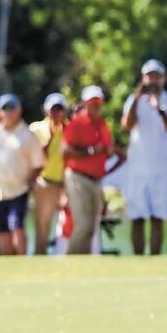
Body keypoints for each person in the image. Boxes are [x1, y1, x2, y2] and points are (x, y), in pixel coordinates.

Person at [121, 59, 167, 255]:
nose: (153, 80)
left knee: (158, 217)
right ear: (143, 78)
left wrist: (160, 110)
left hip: (163, 169)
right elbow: (127, 126)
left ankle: (155, 258)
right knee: (137, 218)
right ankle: (139, 259)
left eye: (157, 76)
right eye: (150, 76)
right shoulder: (134, 100)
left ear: (163, 78)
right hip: (138, 169)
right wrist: (137, 98)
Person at [0, 94, 44, 256]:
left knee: (17, 227)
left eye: (12, 109)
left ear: (19, 110)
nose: (9, 113)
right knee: (2, 231)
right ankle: (7, 263)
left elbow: (38, 163)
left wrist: (30, 181)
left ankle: (21, 260)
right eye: (5, 110)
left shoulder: (27, 135)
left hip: (19, 189)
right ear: (0, 112)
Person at [62, 86, 113, 255]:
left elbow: (106, 148)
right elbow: (66, 151)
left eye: (98, 102)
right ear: (85, 103)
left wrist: (107, 151)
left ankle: (83, 261)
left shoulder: (102, 124)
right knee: (83, 223)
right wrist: (91, 151)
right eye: (92, 103)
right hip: (78, 177)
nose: (96, 106)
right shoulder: (77, 123)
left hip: (96, 179)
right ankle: (72, 258)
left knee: (91, 226)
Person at [29, 92, 69, 255]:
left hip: (65, 183)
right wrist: (51, 138)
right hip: (45, 183)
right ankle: (40, 260)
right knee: (43, 228)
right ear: (46, 111)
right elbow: (37, 158)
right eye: (53, 109)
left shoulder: (69, 128)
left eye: (59, 109)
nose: (56, 113)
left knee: (66, 227)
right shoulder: (36, 128)